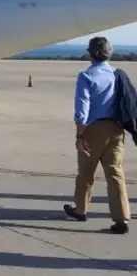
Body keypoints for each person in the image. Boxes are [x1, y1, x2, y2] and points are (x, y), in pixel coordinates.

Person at [64, 36, 130, 234]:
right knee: (115, 173)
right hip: (116, 129)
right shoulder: (117, 74)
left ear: (90, 52)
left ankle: (81, 209)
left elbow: (82, 109)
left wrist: (79, 136)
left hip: (94, 130)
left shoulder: (86, 76)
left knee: (86, 173)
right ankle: (121, 219)